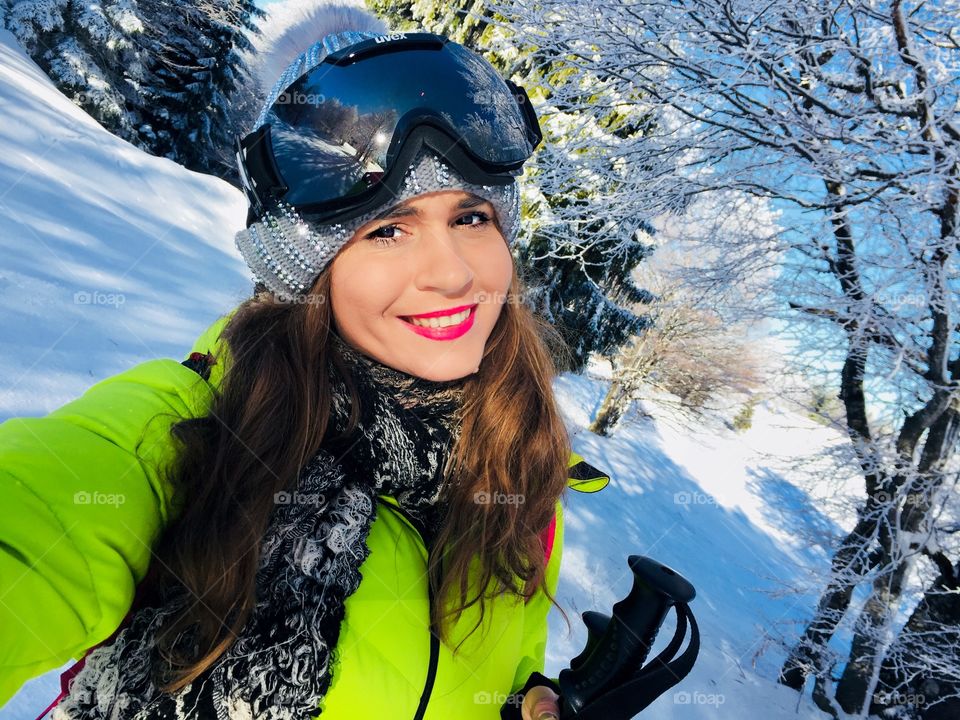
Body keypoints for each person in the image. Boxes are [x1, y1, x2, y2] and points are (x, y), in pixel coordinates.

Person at [0, 6, 609, 720]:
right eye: (387, 230)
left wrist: (527, 702)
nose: (452, 275)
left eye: (471, 218)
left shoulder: (519, 457)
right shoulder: (193, 434)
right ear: (304, 270)